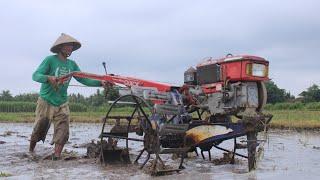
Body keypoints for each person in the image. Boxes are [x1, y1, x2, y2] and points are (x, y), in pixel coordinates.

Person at [29, 33, 107, 160]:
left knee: (63, 130)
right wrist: (48, 78)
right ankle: (31, 151)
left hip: (62, 102)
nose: (70, 48)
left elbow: (84, 79)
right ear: (60, 47)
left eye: (71, 46)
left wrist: (100, 83)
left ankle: (56, 156)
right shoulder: (50, 60)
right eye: (67, 45)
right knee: (40, 128)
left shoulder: (72, 64)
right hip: (46, 100)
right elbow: (35, 75)